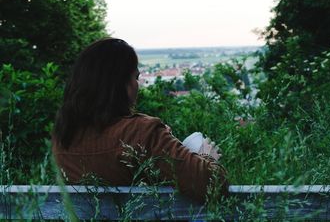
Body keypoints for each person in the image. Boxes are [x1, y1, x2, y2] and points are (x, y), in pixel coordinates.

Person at [52, 38, 228, 203]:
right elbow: (213, 185)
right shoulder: (142, 132)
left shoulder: (63, 137)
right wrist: (206, 156)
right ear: (119, 84)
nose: (138, 85)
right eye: (135, 77)